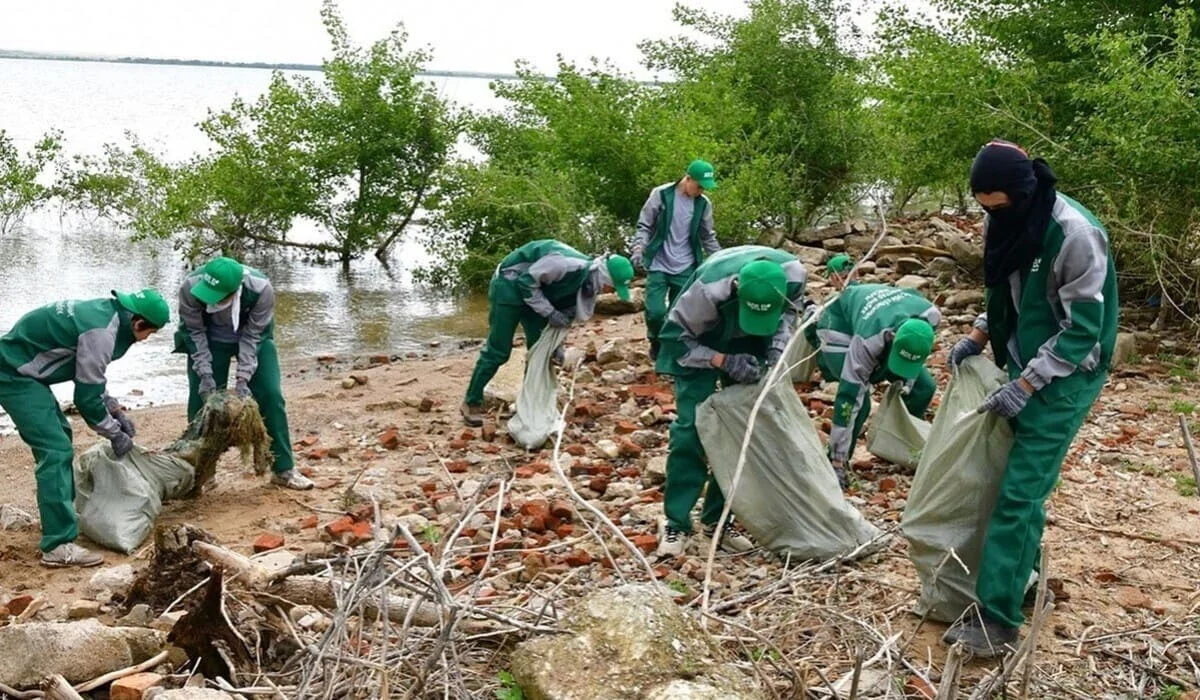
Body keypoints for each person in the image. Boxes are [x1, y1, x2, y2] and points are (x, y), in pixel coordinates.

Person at [943, 140, 1117, 656]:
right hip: (1025, 362)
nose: (992, 216)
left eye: (998, 206)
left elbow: (1082, 329)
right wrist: (978, 333)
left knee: (1019, 493)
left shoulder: (1076, 236)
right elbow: (1006, 286)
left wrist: (1026, 384)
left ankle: (997, 621)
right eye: (984, 207)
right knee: (1008, 482)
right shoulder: (1007, 218)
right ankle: (1026, 577)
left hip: (1068, 376)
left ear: (1024, 192)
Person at [653, 245, 808, 557]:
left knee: (743, 429)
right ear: (737, 290)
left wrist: (777, 348)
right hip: (703, 338)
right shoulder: (705, 292)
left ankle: (718, 522)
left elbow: (790, 313)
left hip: (755, 338)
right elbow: (677, 343)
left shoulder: (794, 276)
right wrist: (721, 360)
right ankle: (677, 522)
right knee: (691, 431)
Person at [0, 289, 170, 567]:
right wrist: (114, 433)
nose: (144, 340)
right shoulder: (102, 332)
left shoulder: (107, 314)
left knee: (60, 439)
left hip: (23, 368)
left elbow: (90, 375)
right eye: (148, 334)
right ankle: (57, 545)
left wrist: (113, 408)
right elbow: (86, 398)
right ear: (138, 323)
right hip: (12, 373)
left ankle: (61, 520)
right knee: (54, 450)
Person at [462, 240, 635, 426]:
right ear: (604, 277)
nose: (608, 292)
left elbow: (566, 316)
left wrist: (556, 346)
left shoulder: (587, 283)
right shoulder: (565, 265)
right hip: (509, 286)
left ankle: (526, 405)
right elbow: (526, 282)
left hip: (536, 296)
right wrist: (549, 312)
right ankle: (471, 402)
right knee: (498, 350)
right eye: (611, 287)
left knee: (540, 352)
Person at [175, 256, 312, 491]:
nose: (211, 300)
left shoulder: (261, 290)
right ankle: (203, 473)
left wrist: (243, 379)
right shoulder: (190, 287)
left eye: (218, 296)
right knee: (200, 400)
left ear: (236, 290)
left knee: (271, 395)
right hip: (208, 339)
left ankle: (283, 469)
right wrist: (206, 375)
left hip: (253, 338)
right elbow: (194, 331)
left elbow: (253, 337)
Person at [807, 283, 940, 489]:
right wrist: (837, 461)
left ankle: (898, 443)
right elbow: (849, 396)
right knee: (861, 405)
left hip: (885, 323)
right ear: (893, 338)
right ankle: (836, 460)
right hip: (840, 326)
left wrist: (908, 381)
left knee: (924, 388)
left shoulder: (931, 316)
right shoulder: (869, 339)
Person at [632, 159, 722, 361]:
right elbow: (644, 225)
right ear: (687, 179)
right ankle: (655, 340)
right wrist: (639, 249)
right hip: (658, 263)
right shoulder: (661, 195)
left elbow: (708, 236)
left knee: (678, 315)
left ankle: (670, 354)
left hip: (686, 266)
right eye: (699, 186)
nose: (701, 191)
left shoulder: (703, 204)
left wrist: (720, 259)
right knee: (655, 312)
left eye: (704, 188)